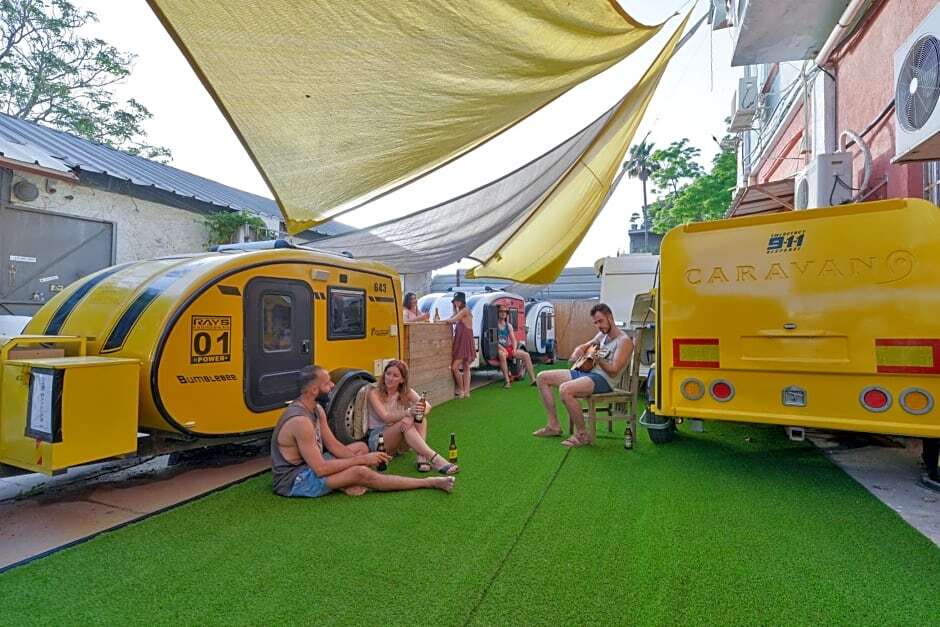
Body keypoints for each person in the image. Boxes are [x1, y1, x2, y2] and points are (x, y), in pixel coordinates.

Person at [271, 365, 455, 498]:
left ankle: (346, 481)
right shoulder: (300, 421)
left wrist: (360, 457)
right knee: (361, 472)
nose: (333, 386)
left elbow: (333, 446)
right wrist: (362, 461)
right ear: (313, 390)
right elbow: (320, 469)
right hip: (296, 479)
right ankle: (429, 482)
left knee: (360, 447)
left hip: (311, 465)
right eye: (327, 384)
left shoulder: (317, 409)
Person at [533, 303, 633, 448]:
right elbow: (584, 346)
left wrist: (599, 360)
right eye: (596, 323)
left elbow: (614, 370)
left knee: (565, 389)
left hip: (604, 380)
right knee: (542, 377)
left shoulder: (624, 341)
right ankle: (553, 426)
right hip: (587, 372)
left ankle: (582, 434)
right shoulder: (602, 335)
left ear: (610, 317)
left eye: (601, 321)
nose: (599, 326)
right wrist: (577, 352)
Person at [366, 360, 459, 474]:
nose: (390, 378)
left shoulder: (405, 392)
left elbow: (427, 406)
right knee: (405, 422)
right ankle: (435, 459)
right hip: (379, 439)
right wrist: (409, 413)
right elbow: (386, 417)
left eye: (395, 375)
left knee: (420, 418)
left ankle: (421, 457)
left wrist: (414, 415)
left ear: (402, 380)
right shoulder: (374, 393)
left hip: (399, 436)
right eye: (388, 374)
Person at [442, 291, 475, 399]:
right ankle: (465, 391)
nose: (456, 303)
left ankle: (463, 390)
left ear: (462, 301)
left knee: (456, 367)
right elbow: (453, 317)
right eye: (455, 301)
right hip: (462, 339)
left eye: (458, 301)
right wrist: (453, 310)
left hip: (465, 339)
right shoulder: (460, 311)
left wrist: (442, 321)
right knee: (464, 366)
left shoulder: (465, 310)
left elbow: (453, 319)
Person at [496, 305, 537, 388]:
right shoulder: (494, 325)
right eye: (501, 311)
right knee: (502, 355)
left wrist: (514, 349)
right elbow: (494, 342)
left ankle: (533, 380)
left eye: (505, 312)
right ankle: (507, 382)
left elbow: (513, 339)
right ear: (497, 313)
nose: (503, 313)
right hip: (498, 348)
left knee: (526, 355)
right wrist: (503, 349)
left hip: (507, 348)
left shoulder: (508, 326)